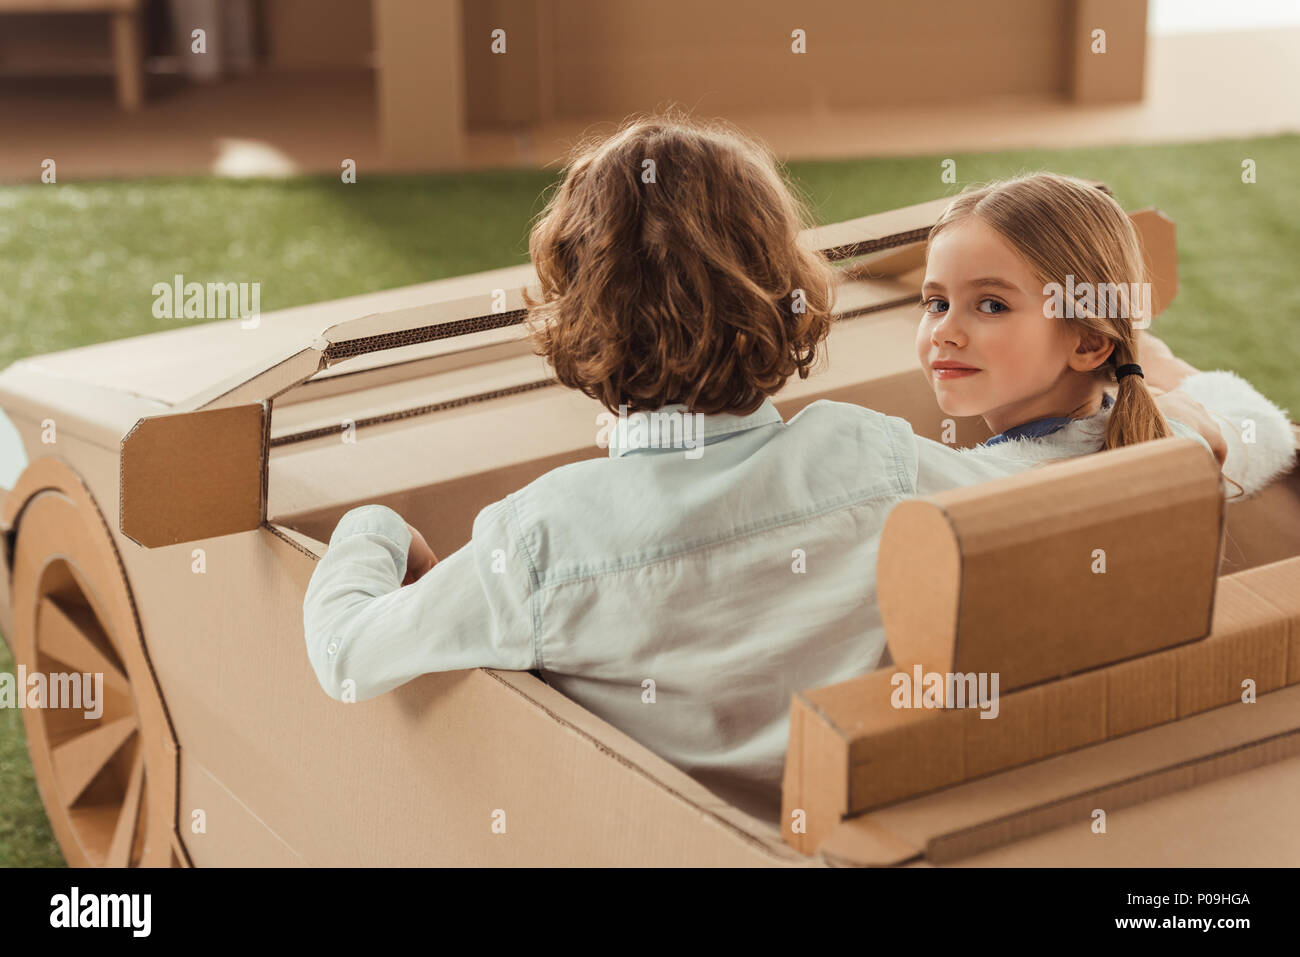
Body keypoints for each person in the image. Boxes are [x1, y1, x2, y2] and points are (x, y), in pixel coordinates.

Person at [302, 118, 1289, 827]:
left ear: (569, 320)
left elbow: (346, 654)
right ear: (791, 301)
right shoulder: (864, 458)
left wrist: (376, 529)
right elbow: (1060, 491)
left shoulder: (534, 542)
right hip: (849, 822)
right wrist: (1173, 396)